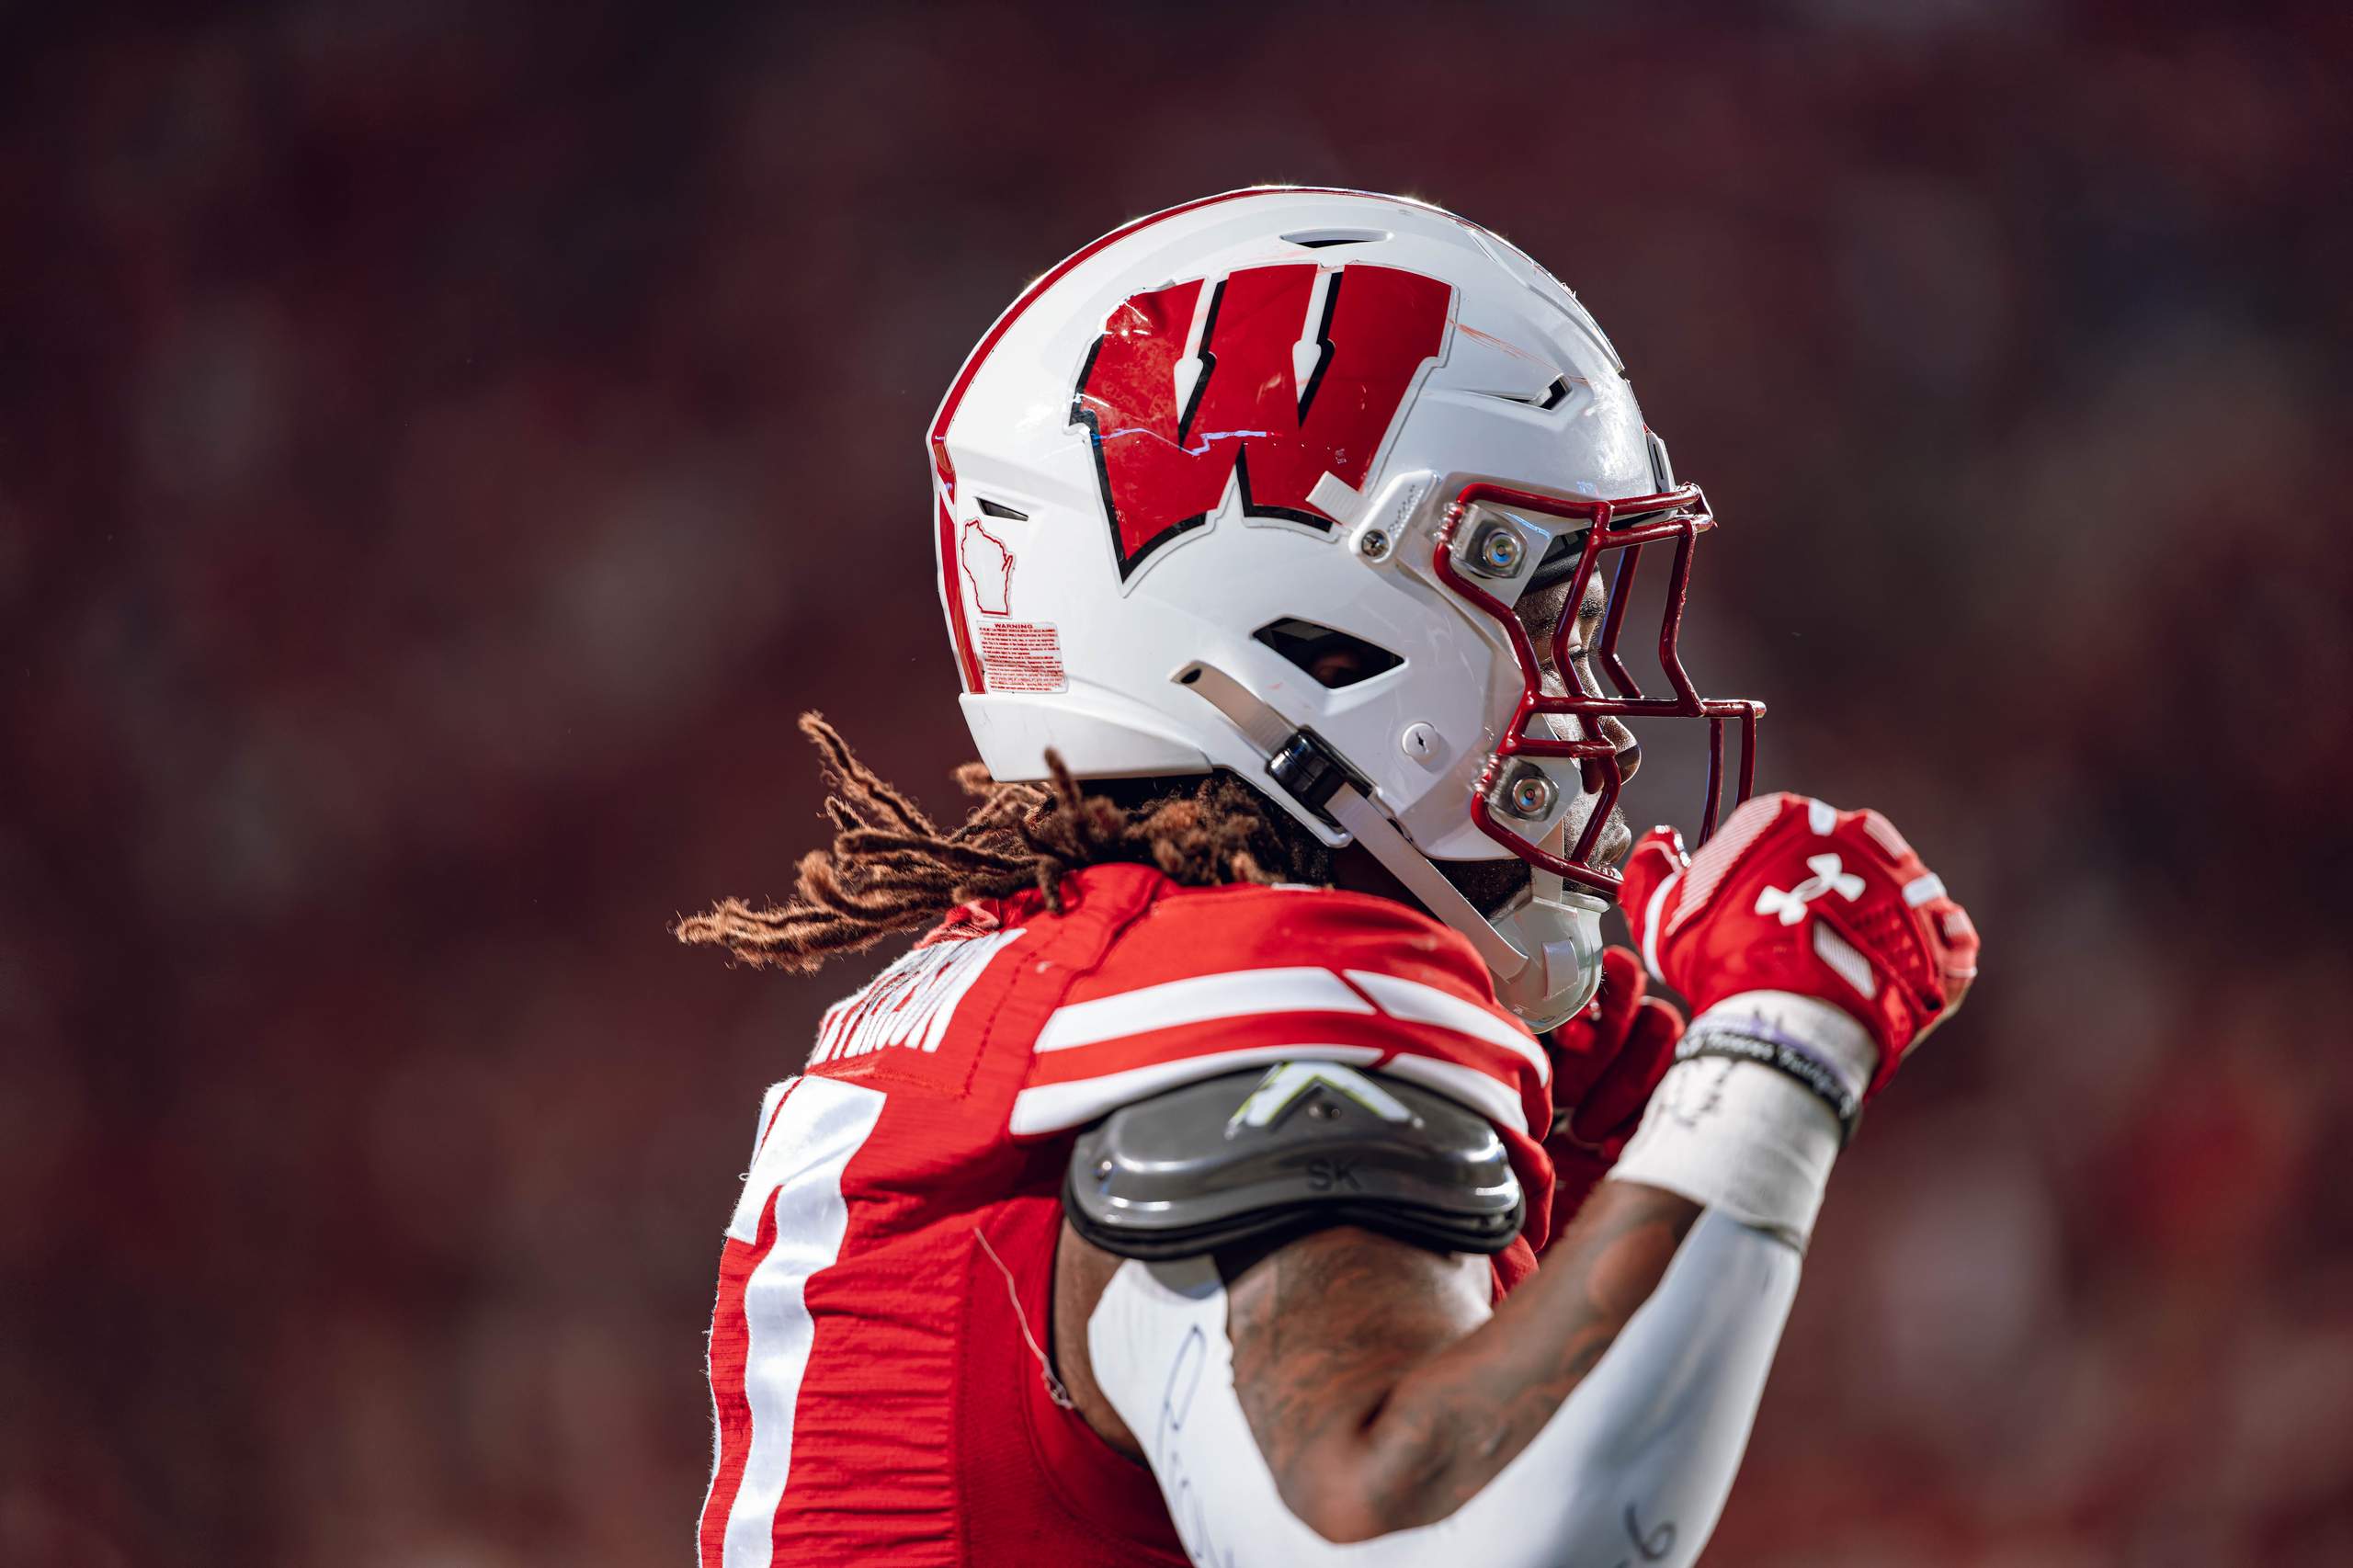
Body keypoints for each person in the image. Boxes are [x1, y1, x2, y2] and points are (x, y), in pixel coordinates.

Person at [677, 187, 1980, 1567]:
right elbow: (1443, 1545)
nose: (1593, 705)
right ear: (1311, 630)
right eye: (1540, 607)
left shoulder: (1021, 985)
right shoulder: (1255, 995)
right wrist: (1778, 1058)